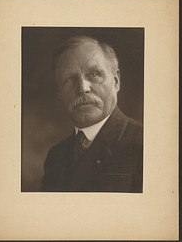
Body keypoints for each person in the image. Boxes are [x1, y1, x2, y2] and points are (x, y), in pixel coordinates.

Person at [42, 35, 143, 192]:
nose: (83, 88)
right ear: (59, 93)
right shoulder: (55, 156)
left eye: (94, 74)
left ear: (116, 81)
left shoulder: (144, 144)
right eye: (70, 79)